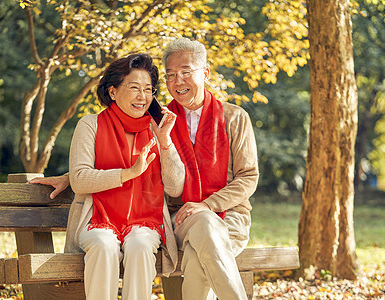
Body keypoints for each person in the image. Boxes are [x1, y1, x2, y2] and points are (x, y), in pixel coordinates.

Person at [31, 38, 259, 300]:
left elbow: (248, 176)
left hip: (227, 215)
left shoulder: (233, 117)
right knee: (200, 231)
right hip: (180, 218)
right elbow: (126, 150)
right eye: (171, 75)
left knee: (198, 258)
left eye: (186, 72)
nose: (178, 81)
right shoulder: (161, 118)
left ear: (204, 73)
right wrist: (72, 177)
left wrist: (208, 204)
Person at [32, 53, 185, 300]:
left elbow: (176, 187)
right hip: (97, 218)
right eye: (134, 88)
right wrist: (129, 173)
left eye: (148, 89)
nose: (142, 96)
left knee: (141, 245)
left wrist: (165, 141)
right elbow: (80, 178)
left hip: (145, 219)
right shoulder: (90, 125)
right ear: (112, 92)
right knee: (104, 245)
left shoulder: (158, 131)